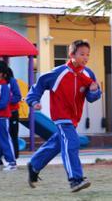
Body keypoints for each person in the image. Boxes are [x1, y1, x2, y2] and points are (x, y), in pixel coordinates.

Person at [26, 40, 101, 192]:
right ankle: (75, 180)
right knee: (72, 143)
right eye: (82, 54)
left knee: (59, 143)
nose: (85, 58)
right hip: (61, 116)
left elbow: (92, 98)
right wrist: (34, 101)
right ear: (71, 54)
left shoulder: (88, 74)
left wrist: (94, 91)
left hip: (74, 118)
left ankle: (34, 164)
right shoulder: (57, 73)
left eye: (87, 55)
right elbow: (39, 84)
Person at [0, 61, 22, 159]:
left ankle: (14, 157)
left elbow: (18, 96)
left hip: (12, 113)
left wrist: (6, 101)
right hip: (1, 114)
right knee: (1, 136)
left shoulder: (12, 81)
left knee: (13, 135)